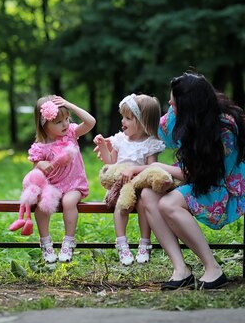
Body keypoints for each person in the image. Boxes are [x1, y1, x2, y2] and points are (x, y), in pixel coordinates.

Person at [131, 72, 245, 290]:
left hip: (220, 187)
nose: (170, 108)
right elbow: (151, 128)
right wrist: (118, 141)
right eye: (169, 103)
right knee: (148, 195)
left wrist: (157, 167)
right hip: (194, 177)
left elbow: (209, 175)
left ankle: (213, 269)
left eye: (174, 104)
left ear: (191, 106)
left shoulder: (225, 128)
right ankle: (181, 270)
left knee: (168, 203)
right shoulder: (181, 115)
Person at [21, 95, 96, 263]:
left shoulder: (71, 134)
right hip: (52, 187)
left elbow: (91, 122)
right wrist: (40, 164)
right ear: (43, 124)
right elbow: (34, 173)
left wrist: (70, 105)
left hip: (74, 185)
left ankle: (68, 242)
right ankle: (46, 243)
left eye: (67, 119)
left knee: (69, 202)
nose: (65, 124)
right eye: (58, 122)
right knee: (41, 207)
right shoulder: (39, 148)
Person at [93, 94, 165, 266]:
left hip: (140, 185)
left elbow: (152, 168)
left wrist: (134, 171)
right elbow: (111, 161)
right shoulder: (120, 140)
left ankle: (144, 243)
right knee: (121, 206)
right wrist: (103, 147)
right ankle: (122, 243)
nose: (123, 121)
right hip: (121, 185)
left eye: (128, 118)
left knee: (142, 205)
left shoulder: (150, 143)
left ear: (142, 122)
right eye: (122, 117)